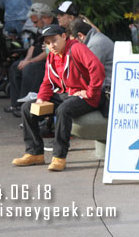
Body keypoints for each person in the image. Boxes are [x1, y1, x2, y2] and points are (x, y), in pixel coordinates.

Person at [12, 25, 106, 171]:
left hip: (88, 97)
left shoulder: (76, 48)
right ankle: (34, 153)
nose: (51, 45)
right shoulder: (51, 55)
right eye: (48, 43)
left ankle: (59, 156)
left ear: (64, 36)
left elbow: (97, 68)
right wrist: (41, 99)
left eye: (54, 40)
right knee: (27, 108)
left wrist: (90, 92)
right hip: (65, 95)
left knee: (63, 110)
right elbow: (48, 81)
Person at [5, 3, 57, 117]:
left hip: (48, 61)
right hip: (36, 59)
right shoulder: (41, 28)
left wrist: (30, 62)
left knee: (29, 69)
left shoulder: (54, 28)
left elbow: (48, 51)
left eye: (35, 22)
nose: (34, 25)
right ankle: (16, 104)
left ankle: (26, 106)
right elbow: (33, 46)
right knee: (16, 66)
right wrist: (27, 59)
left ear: (45, 18)